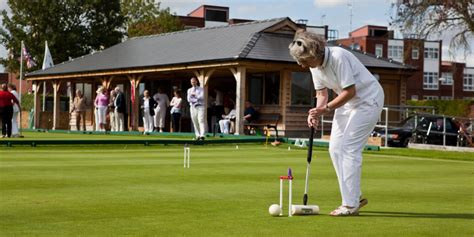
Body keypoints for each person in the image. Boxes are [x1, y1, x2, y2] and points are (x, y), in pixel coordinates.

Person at [289, 29, 384, 216]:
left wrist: (326, 109)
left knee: (349, 148)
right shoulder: (314, 66)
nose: (302, 65)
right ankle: (355, 196)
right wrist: (316, 112)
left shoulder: (338, 57)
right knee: (334, 149)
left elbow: (350, 91)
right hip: (348, 103)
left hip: (368, 100)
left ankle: (350, 204)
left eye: (304, 61)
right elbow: (321, 93)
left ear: (314, 53)